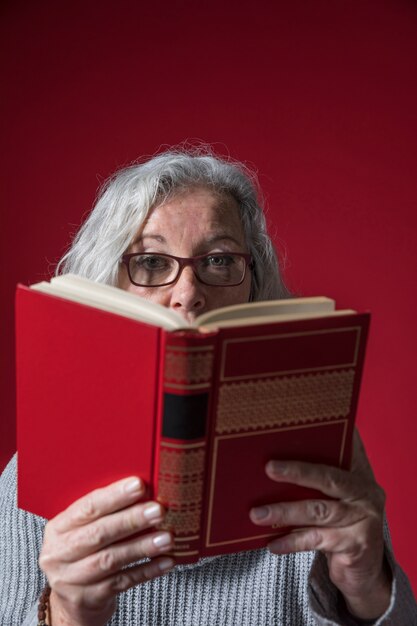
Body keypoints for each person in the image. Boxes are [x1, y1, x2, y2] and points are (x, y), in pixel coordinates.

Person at [1, 148, 416, 626]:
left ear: (253, 285)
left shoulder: (319, 461)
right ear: (108, 285)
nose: (188, 292)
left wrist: (367, 586)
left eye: (219, 261)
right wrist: (69, 612)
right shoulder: (33, 474)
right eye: (152, 262)